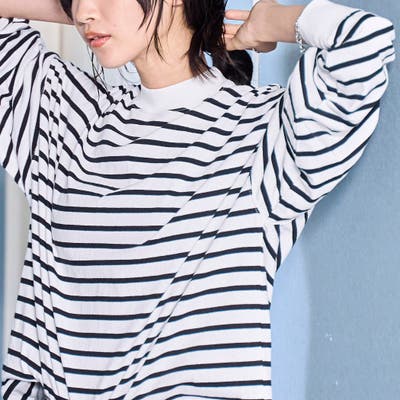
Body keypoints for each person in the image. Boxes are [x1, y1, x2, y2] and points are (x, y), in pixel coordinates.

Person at [0, 0, 395, 398]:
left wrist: (272, 22)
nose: (84, 11)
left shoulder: (258, 134)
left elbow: (363, 43)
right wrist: (91, 12)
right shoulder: (66, 117)